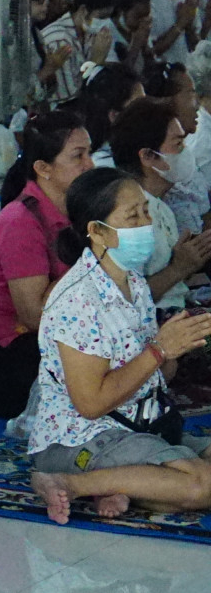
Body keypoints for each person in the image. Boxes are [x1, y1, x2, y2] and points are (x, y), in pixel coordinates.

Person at [26, 166, 211, 522]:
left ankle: (120, 485)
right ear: (97, 231)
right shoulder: (77, 300)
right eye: (133, 216)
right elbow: (91, 405)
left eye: (146, 211)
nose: (146, 223)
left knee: (196, 479)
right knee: (202, 485)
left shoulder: (132, 282)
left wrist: (174, 348)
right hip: (81, 438)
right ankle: (68, 482)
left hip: (137, 423)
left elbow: (155, 375)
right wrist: (159, 350)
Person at [107, 99, 211, 287]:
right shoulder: (130, 218)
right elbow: (126, 296)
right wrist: (178, 268)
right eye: (178, 144)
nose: (185, 152)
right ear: (148, 156)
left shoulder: (160, 206)